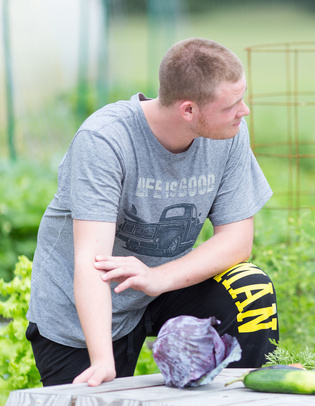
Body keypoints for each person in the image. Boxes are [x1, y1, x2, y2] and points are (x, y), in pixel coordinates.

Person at [26, 38, 278, 387]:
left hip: (160, 285)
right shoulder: (105, 140)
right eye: (232, 105)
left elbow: (237, 242)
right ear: (188, 110)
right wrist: (102, 359)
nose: (245, 110)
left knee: (250, 286)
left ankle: (245, 391)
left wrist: (159, 278)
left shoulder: (230, 133)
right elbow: (91, 261)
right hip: (84, 311)